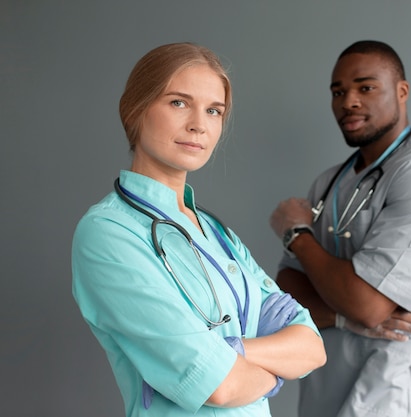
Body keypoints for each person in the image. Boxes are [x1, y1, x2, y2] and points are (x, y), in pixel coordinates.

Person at [72, 42, 326, 417]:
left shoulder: (217, 233)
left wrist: (234, 350)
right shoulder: (108, 233)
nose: (198, 124)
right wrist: (273, 375)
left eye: (213, 110)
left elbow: (310, 346)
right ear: (134, 110)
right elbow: (218, 385)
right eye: (178, 102)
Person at [269, 40, 411, 417]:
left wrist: (297, 235)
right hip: (325, 391)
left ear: (402, 91)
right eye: (338, 91)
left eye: (366, 87)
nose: (348, 101)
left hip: (396, 393)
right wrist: (339, 315)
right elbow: (288, 298)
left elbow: (368, 304)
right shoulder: (329, 184)